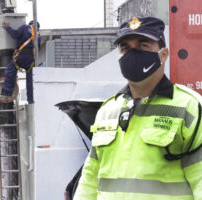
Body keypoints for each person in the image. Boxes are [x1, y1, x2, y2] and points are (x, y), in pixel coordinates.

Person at [74, 16, 202, 200]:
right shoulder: (108, 111)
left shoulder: (189, 108)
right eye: (125, 48)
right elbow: (90, 180)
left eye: (143, 45)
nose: (132, 54)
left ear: (163, 54)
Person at [0, 20, 41, 104]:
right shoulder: (38, 35)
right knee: (30, 81)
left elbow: (15, 35)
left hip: (21, 56)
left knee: (10, 70)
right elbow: (38, 48)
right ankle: (30, 100)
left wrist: (7, 27)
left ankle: (7, 92)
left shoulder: (25, 27)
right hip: (31, 60)